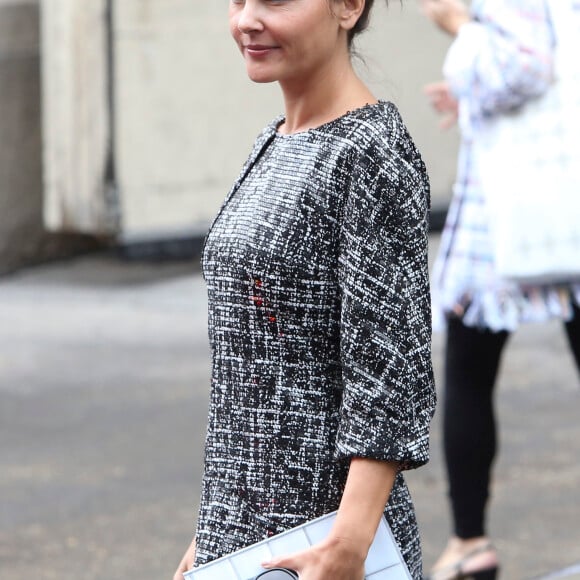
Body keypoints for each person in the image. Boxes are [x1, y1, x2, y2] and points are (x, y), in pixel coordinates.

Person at [172, 1, 436, 579]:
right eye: (238, 0)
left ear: (348, 6)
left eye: (276, 0)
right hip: (245, 538)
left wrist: (347, 545)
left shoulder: (369, 153)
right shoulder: (276, 140)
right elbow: (257, 374)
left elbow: (388, 374)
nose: (247, 20)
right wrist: (213, 531)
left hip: (321, 542)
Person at [421, 0, 580, 578]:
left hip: (517, 212)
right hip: (559, 193)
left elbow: (526, 66)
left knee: (469, 361)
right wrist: (468, 91)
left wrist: (457, 25)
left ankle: (470, 542)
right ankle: (469, 542)